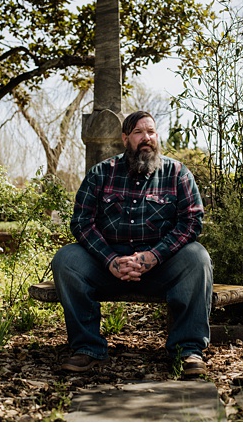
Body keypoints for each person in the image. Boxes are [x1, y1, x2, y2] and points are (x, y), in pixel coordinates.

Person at [50, 111, 213, 376]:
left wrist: (152, 257)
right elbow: (81, 222)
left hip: (161, 268)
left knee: (197, 257)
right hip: (107, 267)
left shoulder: (178, 174)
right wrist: (110, 260)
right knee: (66, 260)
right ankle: (87, 349)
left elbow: (191, 223)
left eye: (151, 132)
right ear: (126, 138)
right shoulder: (101, 173)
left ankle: (187, 351)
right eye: (138, 132)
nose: (146, 138)